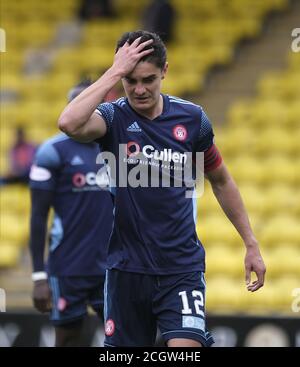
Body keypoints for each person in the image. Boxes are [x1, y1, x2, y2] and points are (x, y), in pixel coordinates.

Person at [58, 30, 266, 347]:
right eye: (131, 80)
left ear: (165, 72)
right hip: (126, 270)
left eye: (149, 80)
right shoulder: (112, 117)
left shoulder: (193, 119)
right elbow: (69, 123)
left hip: (181, 269)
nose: (140, 90)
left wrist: (250, 243)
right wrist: (114, 71)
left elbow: (221, 179)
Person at [29, 80, 113, 347]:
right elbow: (38, 216)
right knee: (67, 339)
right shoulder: (52, 151)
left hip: (113, 267)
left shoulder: (118, 147)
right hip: (68, 267)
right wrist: (38, 276)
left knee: (123, 338)